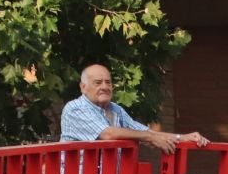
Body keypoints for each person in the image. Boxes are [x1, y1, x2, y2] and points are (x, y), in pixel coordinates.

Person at [58, 64, 207, 153]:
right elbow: (108, 134)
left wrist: (184, 137)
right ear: (83, 87)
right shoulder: (75, 108)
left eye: (108, 82)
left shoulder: (116, 109)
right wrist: (150, 138)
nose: (105, 87)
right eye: (98, 82)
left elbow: (146, 132)